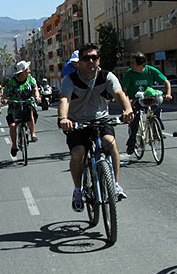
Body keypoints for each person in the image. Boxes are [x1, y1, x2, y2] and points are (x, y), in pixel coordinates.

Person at [57, 44, 134, 212]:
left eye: (94, 58)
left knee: (110, 144)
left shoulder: (107, 76)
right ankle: (78, 190)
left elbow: (119, 93)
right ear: (79, 62)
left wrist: (127, 109)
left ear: (99, 60)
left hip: (101, 120)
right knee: (78, 153)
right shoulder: (70, 79)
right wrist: (64, 118)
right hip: (77, 123)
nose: (90, 61)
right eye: (86, 58)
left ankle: (115, 184)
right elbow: (64, 99)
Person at [122, 52, 172, 155]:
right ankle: (132, 142)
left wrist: (168, 94)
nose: (131, 65)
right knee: (134, 119)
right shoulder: (129, 73)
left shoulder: (151, 70)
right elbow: (124, 90)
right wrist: (127, 102)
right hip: (135, 99)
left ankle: (156, 130)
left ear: (141, 64)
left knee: (156, 108)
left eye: (133, 63)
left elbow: (166, 82)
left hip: (148, 97)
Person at [4, 60, 41, 158]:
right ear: (22, 72)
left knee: (30, 113)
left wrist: (37, 96)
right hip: (15, 105)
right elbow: (6, 93)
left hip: (27, 103)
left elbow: (35, 89)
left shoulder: (30, 79)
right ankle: (14, 145)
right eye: (27, 69)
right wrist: (5, 99)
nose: (29, 71)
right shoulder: (12, 82)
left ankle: (33, 134)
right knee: (13, 125)